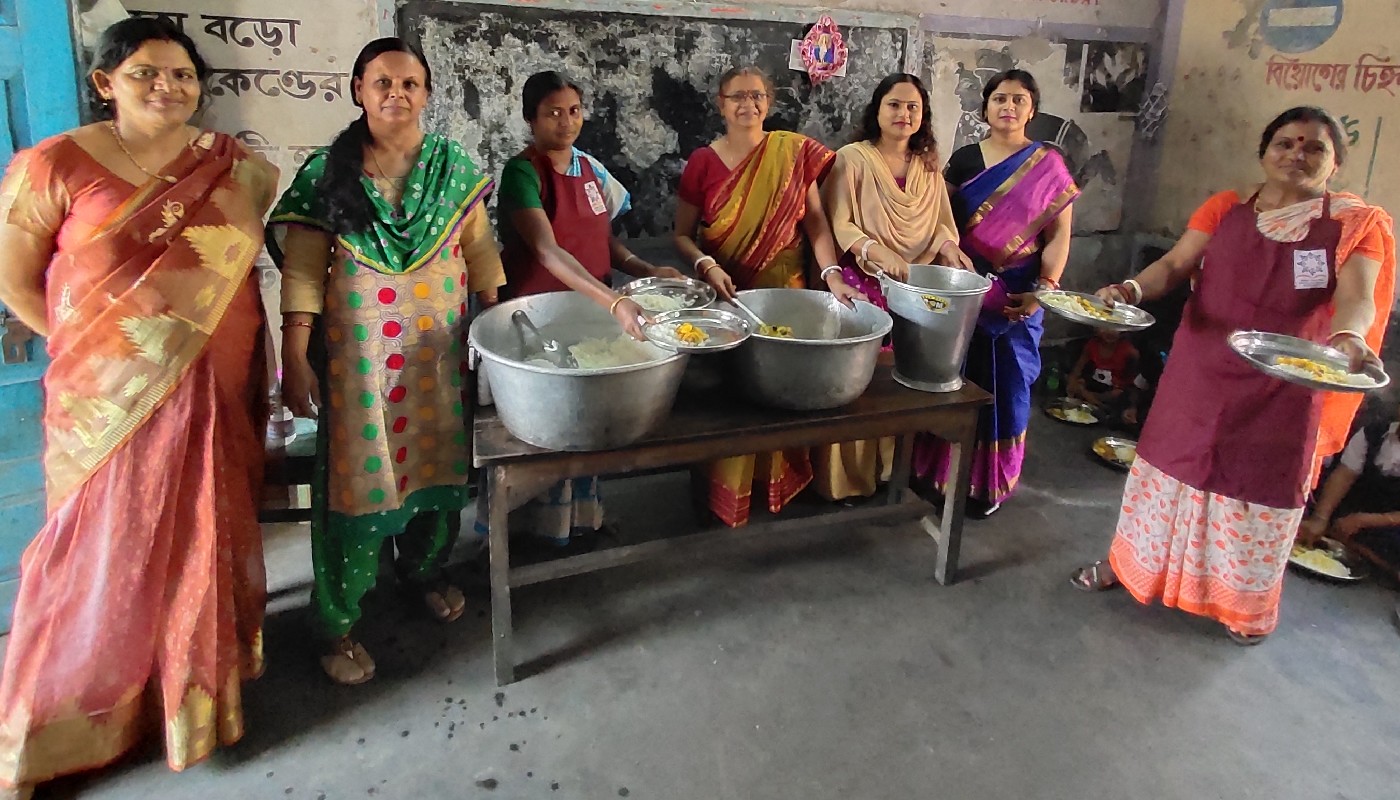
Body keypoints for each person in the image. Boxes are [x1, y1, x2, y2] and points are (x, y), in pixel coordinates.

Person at [0, 18, 277, 795]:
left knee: (203, 535)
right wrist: (102, 352)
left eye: (183, 75)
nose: (168, 87)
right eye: (147, 73)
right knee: (95, 553)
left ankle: (188, 703)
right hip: (105, 401)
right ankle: (47, 730)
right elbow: (15, 280)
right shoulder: (53, 165)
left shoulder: (237, 168)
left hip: (217, 384)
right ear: (105, 83)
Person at [1071, 106, 1393, 644]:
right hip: (1201, 371)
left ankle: (1243, 607)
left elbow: (1358, 297)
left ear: (1335, 162)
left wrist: (1351, 337)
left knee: (1258, 492)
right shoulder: (1226, 209)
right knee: (1166, 473)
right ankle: (1130, 567)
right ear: (1264, 154)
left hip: (1285, 384)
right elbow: (1174, 265)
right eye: (1286, 143)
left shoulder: (1353, 225)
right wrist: (1130, 290)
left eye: (1315, 147)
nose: (1297, 154)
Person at [267, 38, 505, 685]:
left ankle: (423, 572)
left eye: (409, 83)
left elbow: (481, 253)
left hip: (440, 362)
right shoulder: (328, 172)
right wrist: (295, 352)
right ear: (358, 91)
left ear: (427, 93)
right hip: (361, 370)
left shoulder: (453, 167)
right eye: (382, 83)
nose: (397, 94)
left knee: (438, 470)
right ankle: (336, 623)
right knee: (361, 487)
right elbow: (303, 271)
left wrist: (498, 330)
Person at [485, 70, 678, 547]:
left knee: (587, 418)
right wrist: (616, 301)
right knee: (544, 425)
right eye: (552, 112)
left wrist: (644, 269)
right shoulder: (522, 173)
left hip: (591, 311)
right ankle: (528, 534)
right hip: (540, 316)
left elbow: (601, 239)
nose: (566, 121)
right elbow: (547, 251)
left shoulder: (590, 169)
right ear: (531, 119)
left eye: (573, 111)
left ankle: (581, 522)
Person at [673, 65, 860, 527]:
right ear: (721, 104)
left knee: (781, 391)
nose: (748, 105)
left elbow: (815, 223)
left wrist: (832, 274)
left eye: (757, 96)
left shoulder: (791, 152)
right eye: (737, 96)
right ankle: (723, 493)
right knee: (733, 399)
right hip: (728, 294)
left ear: (769, 103)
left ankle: (776, 487)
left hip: (785, 294)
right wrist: (706, 264)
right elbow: (681, 235)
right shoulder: (703, 162)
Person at [918, 69, 1078, 518]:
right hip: (963, 288)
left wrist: (1043, 291)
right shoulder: (965, 160)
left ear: (1032, 109)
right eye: (1000, 99)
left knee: (1006, 389)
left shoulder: (1049, 165)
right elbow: (939, 220)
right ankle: (937, 473)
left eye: (1018, 100)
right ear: (985, 108)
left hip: (1018, 296)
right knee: (950, 382)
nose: (1008, 107)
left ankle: (989, 485)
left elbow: (1059, 235)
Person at [815, 72, 972, 501]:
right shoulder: (852, 159)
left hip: (914, 288)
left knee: (903, 382)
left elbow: (941, 224)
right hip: (861, 283)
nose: (904, 114)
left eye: (913, 107)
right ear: (877, 110)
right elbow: (837, 221)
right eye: (895, 105)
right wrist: (873, 249)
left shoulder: (927, 166)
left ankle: (892, 472)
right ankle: (848, 482)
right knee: (858, 384)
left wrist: (949, 248)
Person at [1299, 402, 1400, 578]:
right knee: (1307, 497)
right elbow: (1345, 474)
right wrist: (1320, 518)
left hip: (1389, 522)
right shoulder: (1373, 433)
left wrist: (1364, 520)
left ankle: (1353, 545)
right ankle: (1337, 535)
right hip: (1353, 505)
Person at [1066, 328, 1140, 427]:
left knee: (1118, 396)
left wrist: (1131, 405)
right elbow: (1078, 369)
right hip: (1094, 387)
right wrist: (1072, 383)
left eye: (1115, 328)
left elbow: (1133, 384)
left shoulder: (1129, 351)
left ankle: (1096, 404)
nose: (1110, 332)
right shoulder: (1092, 345)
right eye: (1104, 327)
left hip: (1114, 393)